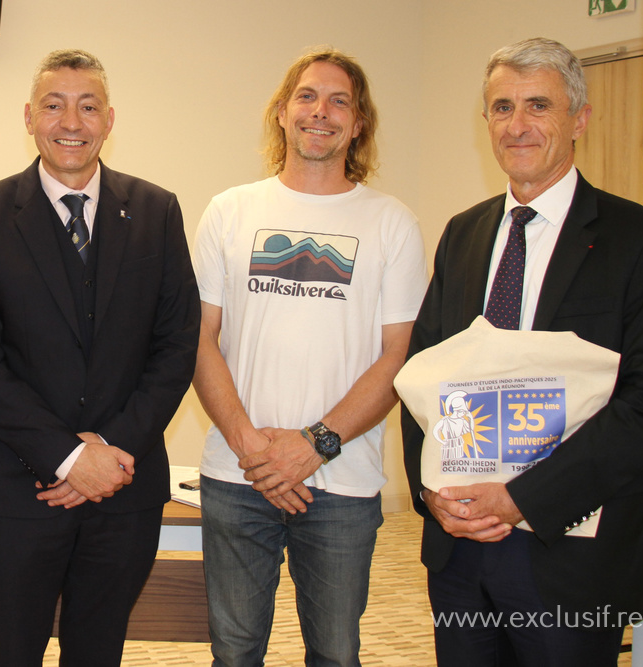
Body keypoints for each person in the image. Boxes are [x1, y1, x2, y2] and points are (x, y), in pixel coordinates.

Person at [401, 37, 643, 665]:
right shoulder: (464, 234)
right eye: (501, 108)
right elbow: (422, 376)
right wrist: (432, 495)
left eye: (539, 105)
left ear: (579, 119)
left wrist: (523, 499)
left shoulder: (642, 242)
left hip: (573, 555)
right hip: (461, 554)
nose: (518, 125)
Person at [0, 49, 200, 666]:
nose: (72, 121)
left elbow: (176, 344)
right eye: (55, 105)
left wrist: (108, 455)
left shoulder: (157, 210)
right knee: (13, 655)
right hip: (17, 493)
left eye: (88, 107)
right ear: (29, 117)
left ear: (109, 120)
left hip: (123, 487)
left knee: (98, 653)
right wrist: (66, 457)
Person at [191, 47, 426, 667]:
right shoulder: (230, 210)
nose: (320, 111)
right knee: (234, 654)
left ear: (359, 123)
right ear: (282, 112)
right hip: (238, 478)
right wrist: (251, 447)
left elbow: (398, 356)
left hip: (342, 482)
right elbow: (198, 338)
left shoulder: (392, 223)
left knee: (335, 654)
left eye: (339, 100)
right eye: (307, 96)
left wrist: (312, 445)